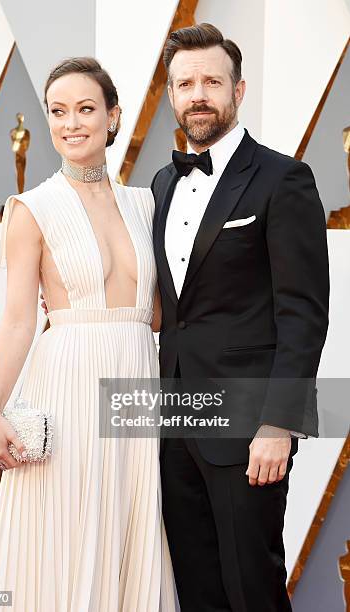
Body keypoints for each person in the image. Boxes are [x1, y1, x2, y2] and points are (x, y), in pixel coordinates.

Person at [0, 57, 177, 612]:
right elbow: (18, 318)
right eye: (58, 112)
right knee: (66, 526)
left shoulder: (145, 203)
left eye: (85, 109)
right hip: (68, 383)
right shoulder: (32, 209)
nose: (71, 123)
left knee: (129, 519)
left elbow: (157, 314)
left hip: (137, 381)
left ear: (112, 118)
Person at [151, 23, 329, 612]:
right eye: (185, 83)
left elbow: (303, 314)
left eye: (211, 81)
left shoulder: (284, 179)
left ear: (238, 90)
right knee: (197, 589)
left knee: (252, 588)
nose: (198, 93)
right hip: (174, 421)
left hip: (248, 427)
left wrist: (279, 426)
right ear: (172, 95)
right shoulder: (162, 183)